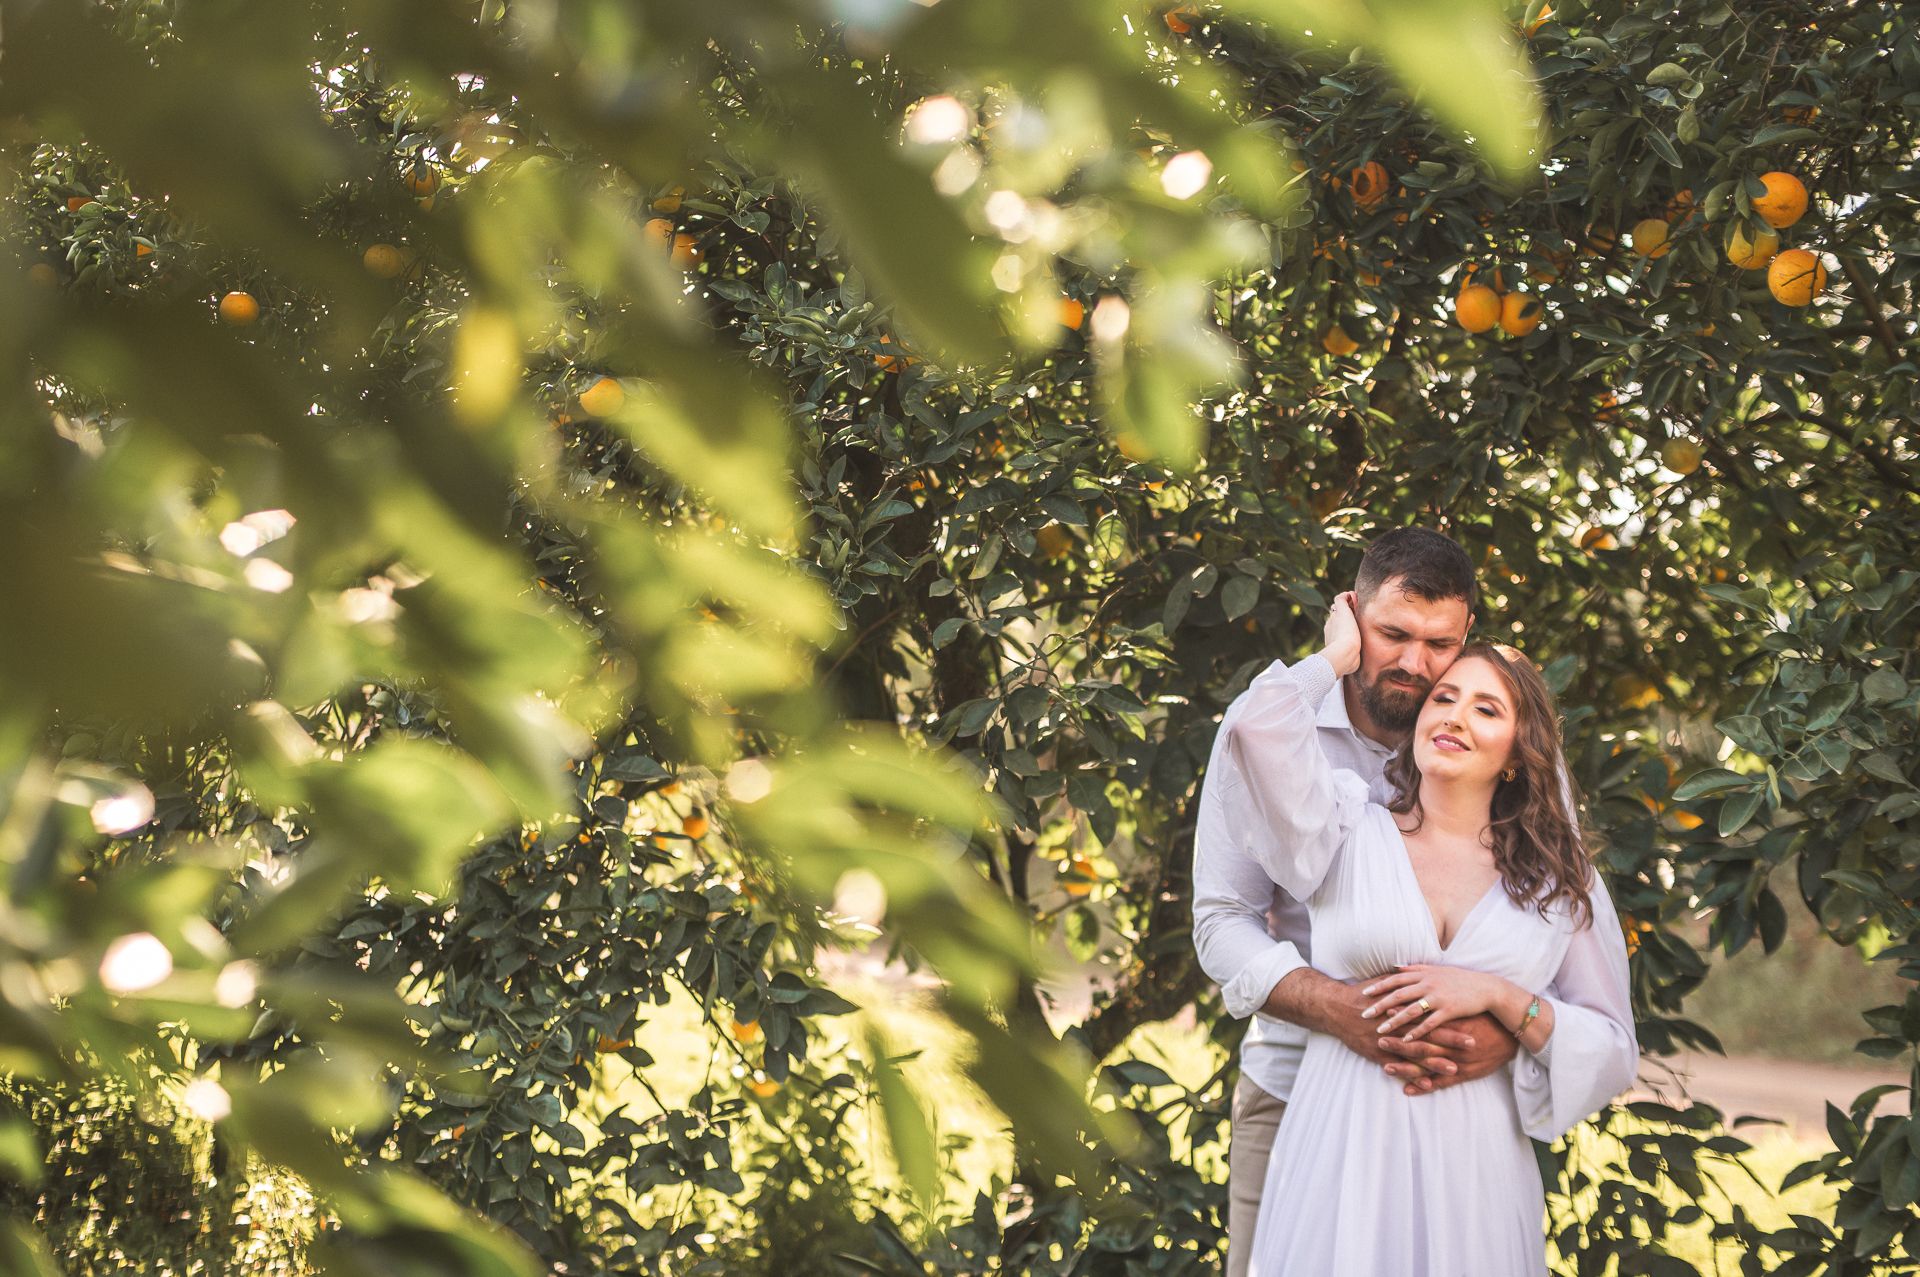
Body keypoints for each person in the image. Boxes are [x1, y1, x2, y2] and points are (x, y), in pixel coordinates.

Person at [1227, 595, 1637, 1274]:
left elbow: (1613, 1046)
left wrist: (1503, 1000)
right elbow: (1253, 726)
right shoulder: (1344, 830)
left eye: (1487, 709)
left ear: (1517, 752)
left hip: (1476, 1166)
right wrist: (1337, 657)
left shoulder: (1557, 880)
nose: (1454, 716)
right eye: (1444, 698)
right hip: (1342, 1145)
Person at [1192, 528, 1525, 1276]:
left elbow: (1550, 903)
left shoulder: (1495, 742)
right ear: (1349, 614)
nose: (1414, 664)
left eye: (1439, 643)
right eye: (1391, 634)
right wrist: (1340, 1009)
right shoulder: (1273, 724)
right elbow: (1221, 919)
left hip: (1457, 1096)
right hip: (1292, 1085)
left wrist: (1510, 1034)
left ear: (1468, 634)